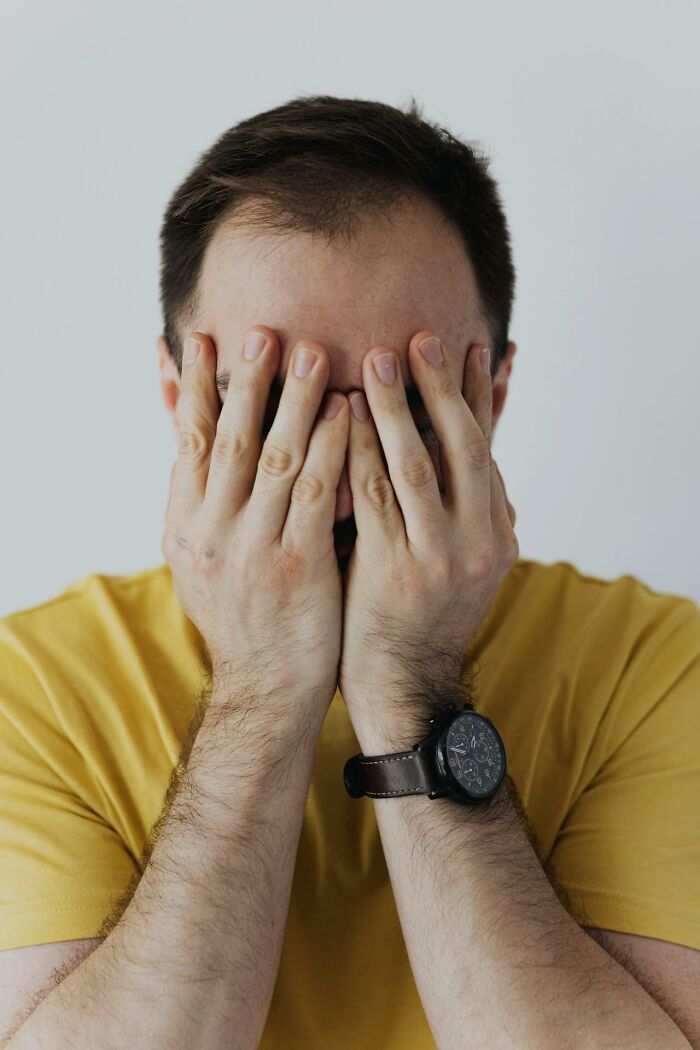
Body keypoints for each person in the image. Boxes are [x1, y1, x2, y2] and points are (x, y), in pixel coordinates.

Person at [0, 95, 697, 1050]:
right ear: (182, 400)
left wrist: (405, 683)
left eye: (403, 400)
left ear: (489, 397)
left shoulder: (655, 668)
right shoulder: (27, 688)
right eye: (278, 400)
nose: (338, 468)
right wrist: (261, 685)